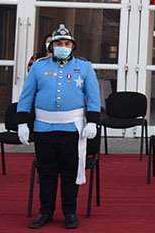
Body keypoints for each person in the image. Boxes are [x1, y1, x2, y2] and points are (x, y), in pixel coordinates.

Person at [16, 24, 101, 230]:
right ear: (51, 46)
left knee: (69, 172)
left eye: (66, 43)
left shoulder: (85, 67)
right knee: (46, 172)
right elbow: (26, 95)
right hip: (44, 127)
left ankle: (70, 212)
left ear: (72, 46)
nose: (62, 46)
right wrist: (21, 123)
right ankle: (45, 212)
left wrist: (92, 121)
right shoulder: (38, 66)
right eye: (58, 43)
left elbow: (93, 96)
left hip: (72, 128)